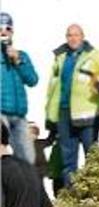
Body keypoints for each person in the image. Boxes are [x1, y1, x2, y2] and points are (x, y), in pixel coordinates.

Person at [45, 24, 99, 186]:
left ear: (83, 36)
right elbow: (53, 88)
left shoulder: (95, 56)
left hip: (88, 114)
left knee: (92, 158)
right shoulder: (61, 57)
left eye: (76, 35)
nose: (73, 39)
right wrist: (50, 116)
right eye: (69, 35)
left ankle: (94, 197)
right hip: (64, 113)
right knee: (68, 161)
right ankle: (70, 198)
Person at [0, 12, 38, 165]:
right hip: (1, 113)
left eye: (7, 28)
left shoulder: (21, 55)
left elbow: (32, 80)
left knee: (28, 159)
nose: (4, 32)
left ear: (12, 31)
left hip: (19, 115)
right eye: (0, 28)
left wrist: (18, 61)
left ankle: (25, 188)